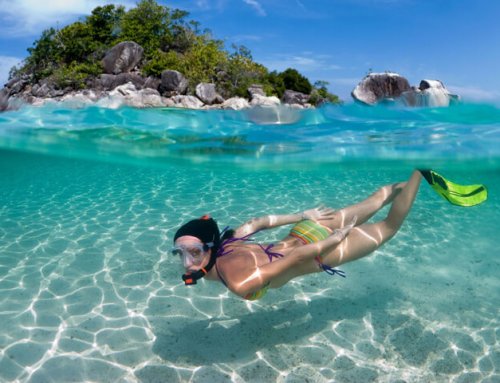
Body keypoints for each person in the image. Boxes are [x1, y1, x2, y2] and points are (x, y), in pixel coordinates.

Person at [172, 170, 424, 301]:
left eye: (194, 252)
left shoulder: (239, 282)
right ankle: (407, 183)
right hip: (304, 230)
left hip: (319, 251)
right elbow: (259, 222)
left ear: (210, 246)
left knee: (389, 227)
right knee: (375, 199)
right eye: (180, 253)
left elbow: (295, 258)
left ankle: (421, 172)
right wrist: (304, 214)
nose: (186, 263)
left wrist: (336, 239)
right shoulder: (230, 239)